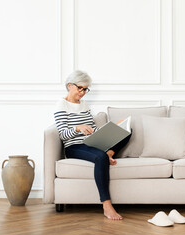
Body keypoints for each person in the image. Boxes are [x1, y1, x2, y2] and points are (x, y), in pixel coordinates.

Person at [53, 70, 131, 220]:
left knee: (127, 131)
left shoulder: (84, 104)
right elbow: (63, 134)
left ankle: (109, 152)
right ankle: (106, 205)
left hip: (92, 142)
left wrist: (109, 130)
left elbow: (92, 128)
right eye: (80, 88)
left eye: (85, 89)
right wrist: (77, 128)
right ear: (70, 86)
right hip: (74, 147)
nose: (82, 93)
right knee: (100, 157)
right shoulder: (61, 105)